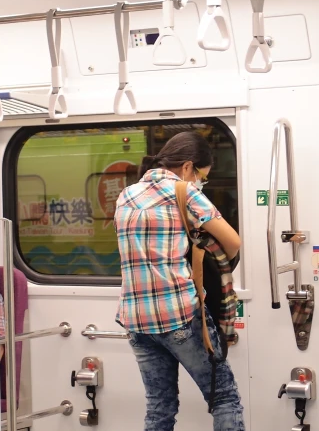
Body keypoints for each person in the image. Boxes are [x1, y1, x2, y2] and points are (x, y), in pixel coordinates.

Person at [115, 131, 245, 431]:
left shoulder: (126, 195)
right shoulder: (182, 191)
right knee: (224, 397)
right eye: (203, 176)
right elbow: (233, 242)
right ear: (188, 167)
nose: (201, 183)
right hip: (178, 315)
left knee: (160, 407)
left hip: (136, 320)